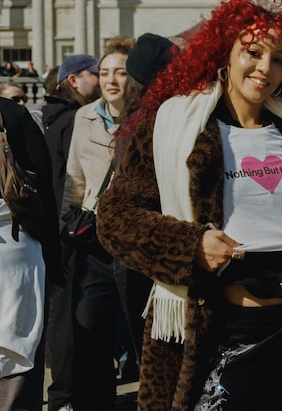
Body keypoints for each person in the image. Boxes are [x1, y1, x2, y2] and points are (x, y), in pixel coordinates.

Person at [96, 0, 282, 411]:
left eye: (278, 59)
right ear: (225, 52)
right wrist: (189, 247)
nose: (265, 68)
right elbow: (114, 218)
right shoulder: (175, 123)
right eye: (253, 52)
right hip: (220, 334)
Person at [61, 36, 149, 410]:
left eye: (121, 72)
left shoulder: (150, 119)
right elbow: (74, 181)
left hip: (137, 245)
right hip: (94, 242)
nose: (111, 79)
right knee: (90, 334)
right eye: (105, 72)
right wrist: (70, 226)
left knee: (145, 338)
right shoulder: (85, 116)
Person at [41, 54, 100, 411]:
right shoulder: (72, 121)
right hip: (69, 234)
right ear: (74, 80)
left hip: (58, 233)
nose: (102, 81)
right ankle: (64, 396)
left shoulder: (51, 118)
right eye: (96, 74)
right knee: (67, 320)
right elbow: (65, 183)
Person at [0, 96, 62, 411]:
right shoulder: (12, 114)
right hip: (19, 248)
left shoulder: (12, 115)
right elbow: (44, 189)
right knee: (20, 348)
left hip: (17, 248)